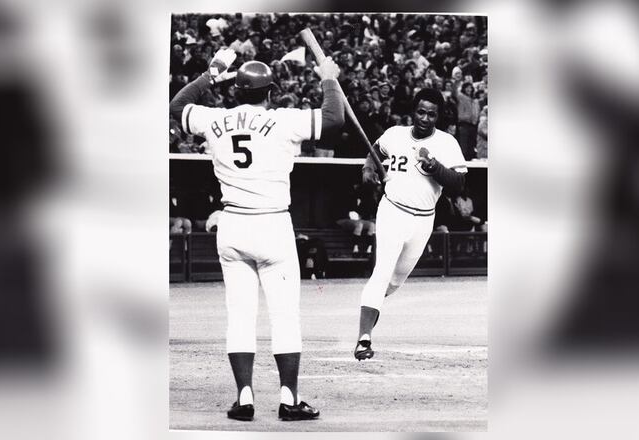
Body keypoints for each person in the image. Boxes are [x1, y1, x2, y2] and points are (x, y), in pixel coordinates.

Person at [169, 49, 344, 420]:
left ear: (235, 91)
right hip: (272, 222)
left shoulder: (215, 118)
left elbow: (177, 105)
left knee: (240, 315)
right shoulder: (283, 120)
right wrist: (328, 76)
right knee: (284, 317)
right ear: (271, 91)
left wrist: (210, 75)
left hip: (232, 223)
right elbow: (334, 117)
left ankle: (245, 398)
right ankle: (288, 399)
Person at [354, 88, 467, 360]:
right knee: (382, 272)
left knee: (394, 281)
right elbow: (374, 152)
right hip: (392, 210)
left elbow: (459, 184)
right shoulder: (394, 134)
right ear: (412, 111)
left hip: (423, 220)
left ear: (438, 116)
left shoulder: (447, 142)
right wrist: (368, 169)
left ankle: (371, 305)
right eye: (421, 112)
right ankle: (364, 339)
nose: (425, 118)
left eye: (431, 114)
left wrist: (435, 167)